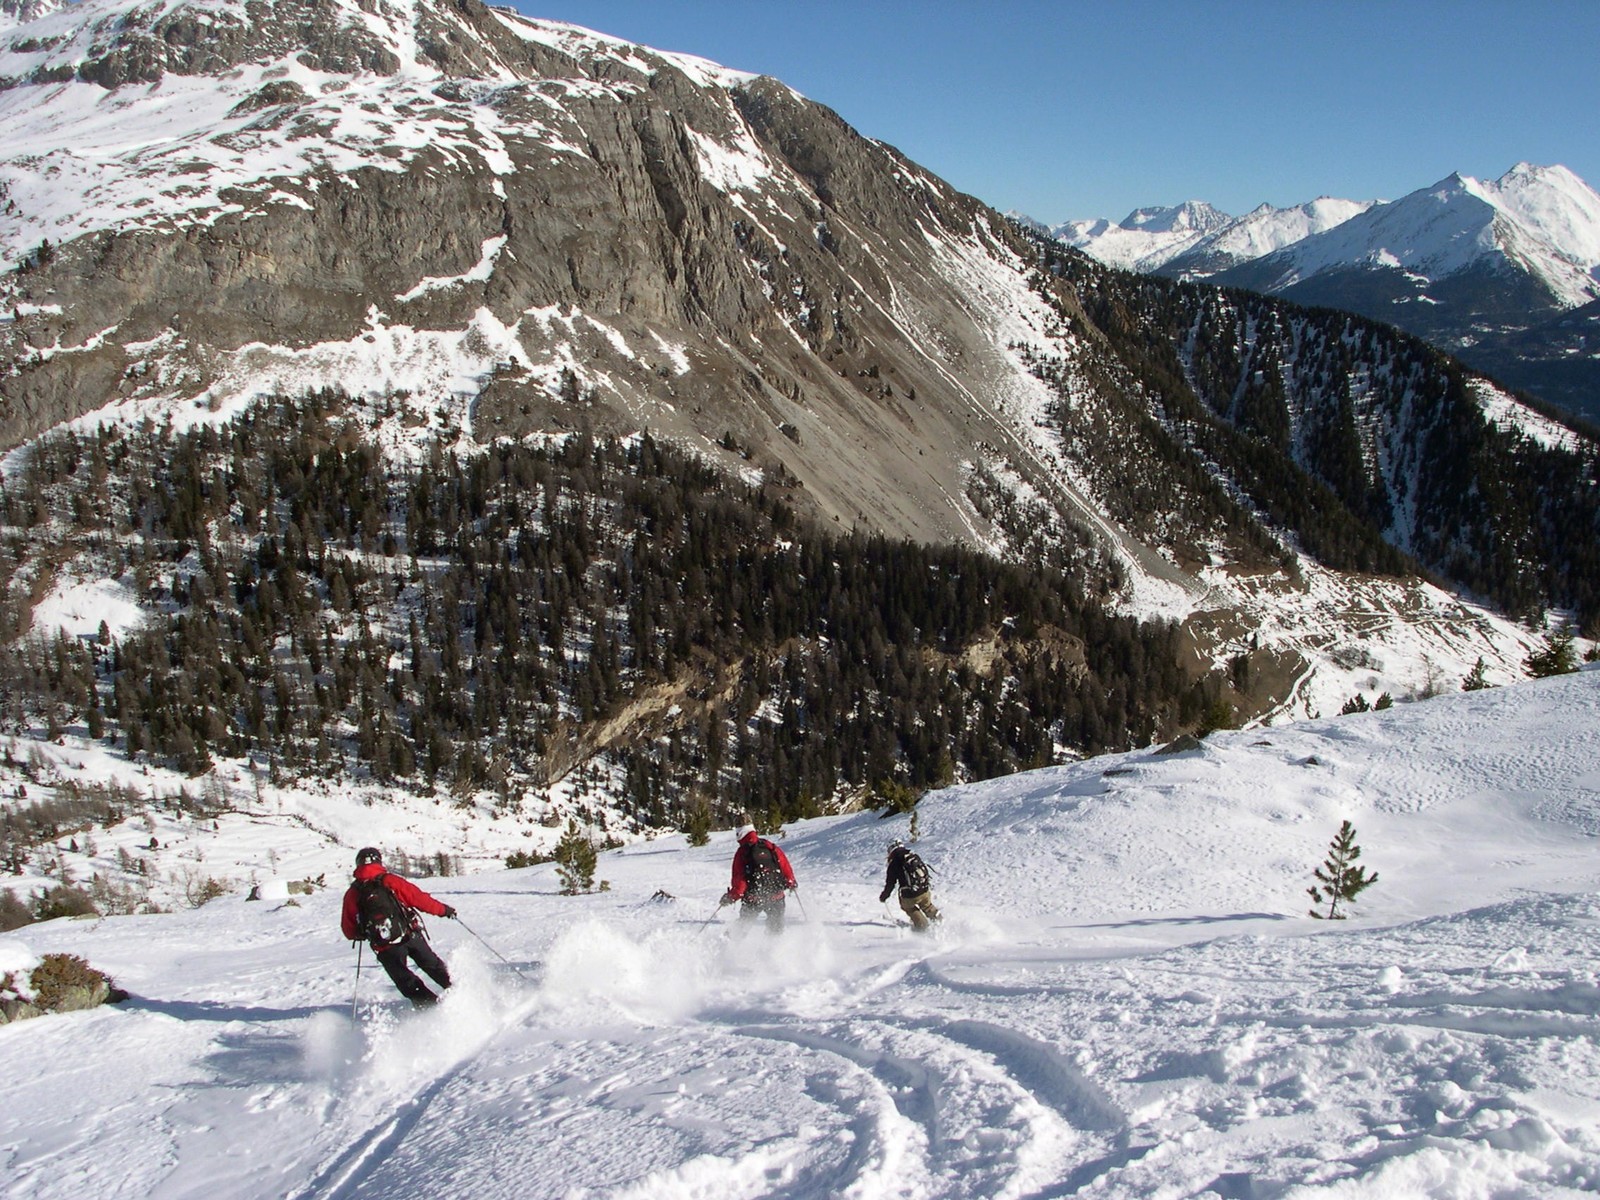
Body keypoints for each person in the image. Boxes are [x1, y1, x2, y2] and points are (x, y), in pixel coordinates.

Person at [341, 847, 457, 1007]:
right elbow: (419, 899)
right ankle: (461, 991)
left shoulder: (353, 893)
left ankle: (431, 1008)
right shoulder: (389, 880)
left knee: (406, 981)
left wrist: (359, 934)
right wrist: (444, 910)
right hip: (410, 934)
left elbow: (348, 928)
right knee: (433, 965)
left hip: (385, 946)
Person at [721, 823, 797, 933]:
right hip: (776, 896)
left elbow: (740, 882)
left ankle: (728, 942)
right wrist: (791, 882)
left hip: (753, 899)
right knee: (775, 931)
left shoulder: (742, 852)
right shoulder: (769, 846)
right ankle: (776, 944)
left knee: (741, 928)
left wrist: (731, 897)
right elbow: (784, 865)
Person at [880, 838, 940, 931]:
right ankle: (940, 921)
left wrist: (884, 896)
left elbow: (890, 884)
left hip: (909, 895)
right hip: (924, 890)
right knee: (927, 906)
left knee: (909, 907)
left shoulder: (894, 863)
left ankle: (922, 927)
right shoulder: (913, 855)